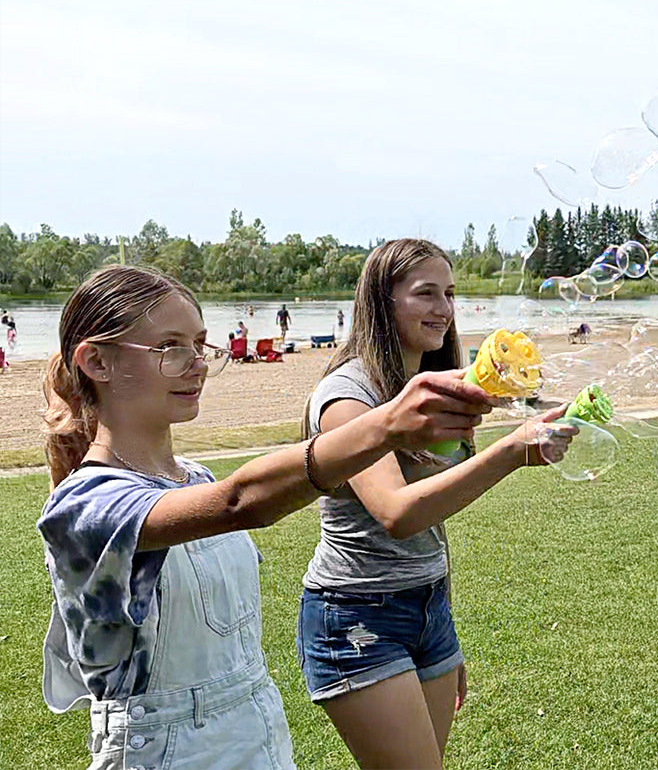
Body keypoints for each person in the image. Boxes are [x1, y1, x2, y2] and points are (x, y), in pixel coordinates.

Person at [36, 264, 503, 769]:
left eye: (200, 344)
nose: (196, 363)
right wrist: (386, 424)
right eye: (170, 347)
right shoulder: (84, 505)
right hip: (163, 753)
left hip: (257, 735)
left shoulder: (193, 476)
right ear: (96, 362)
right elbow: (242, 501)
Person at [297, 239, 576, 769]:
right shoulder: (347, 396)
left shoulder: (431, 386)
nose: (444, 309)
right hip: (358, 614)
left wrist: (439, 626)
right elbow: (397, 512)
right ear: (383, 301)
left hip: (425, 606)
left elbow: (433, 520)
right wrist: (512, 451)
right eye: (425, 293)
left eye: (449, 293)